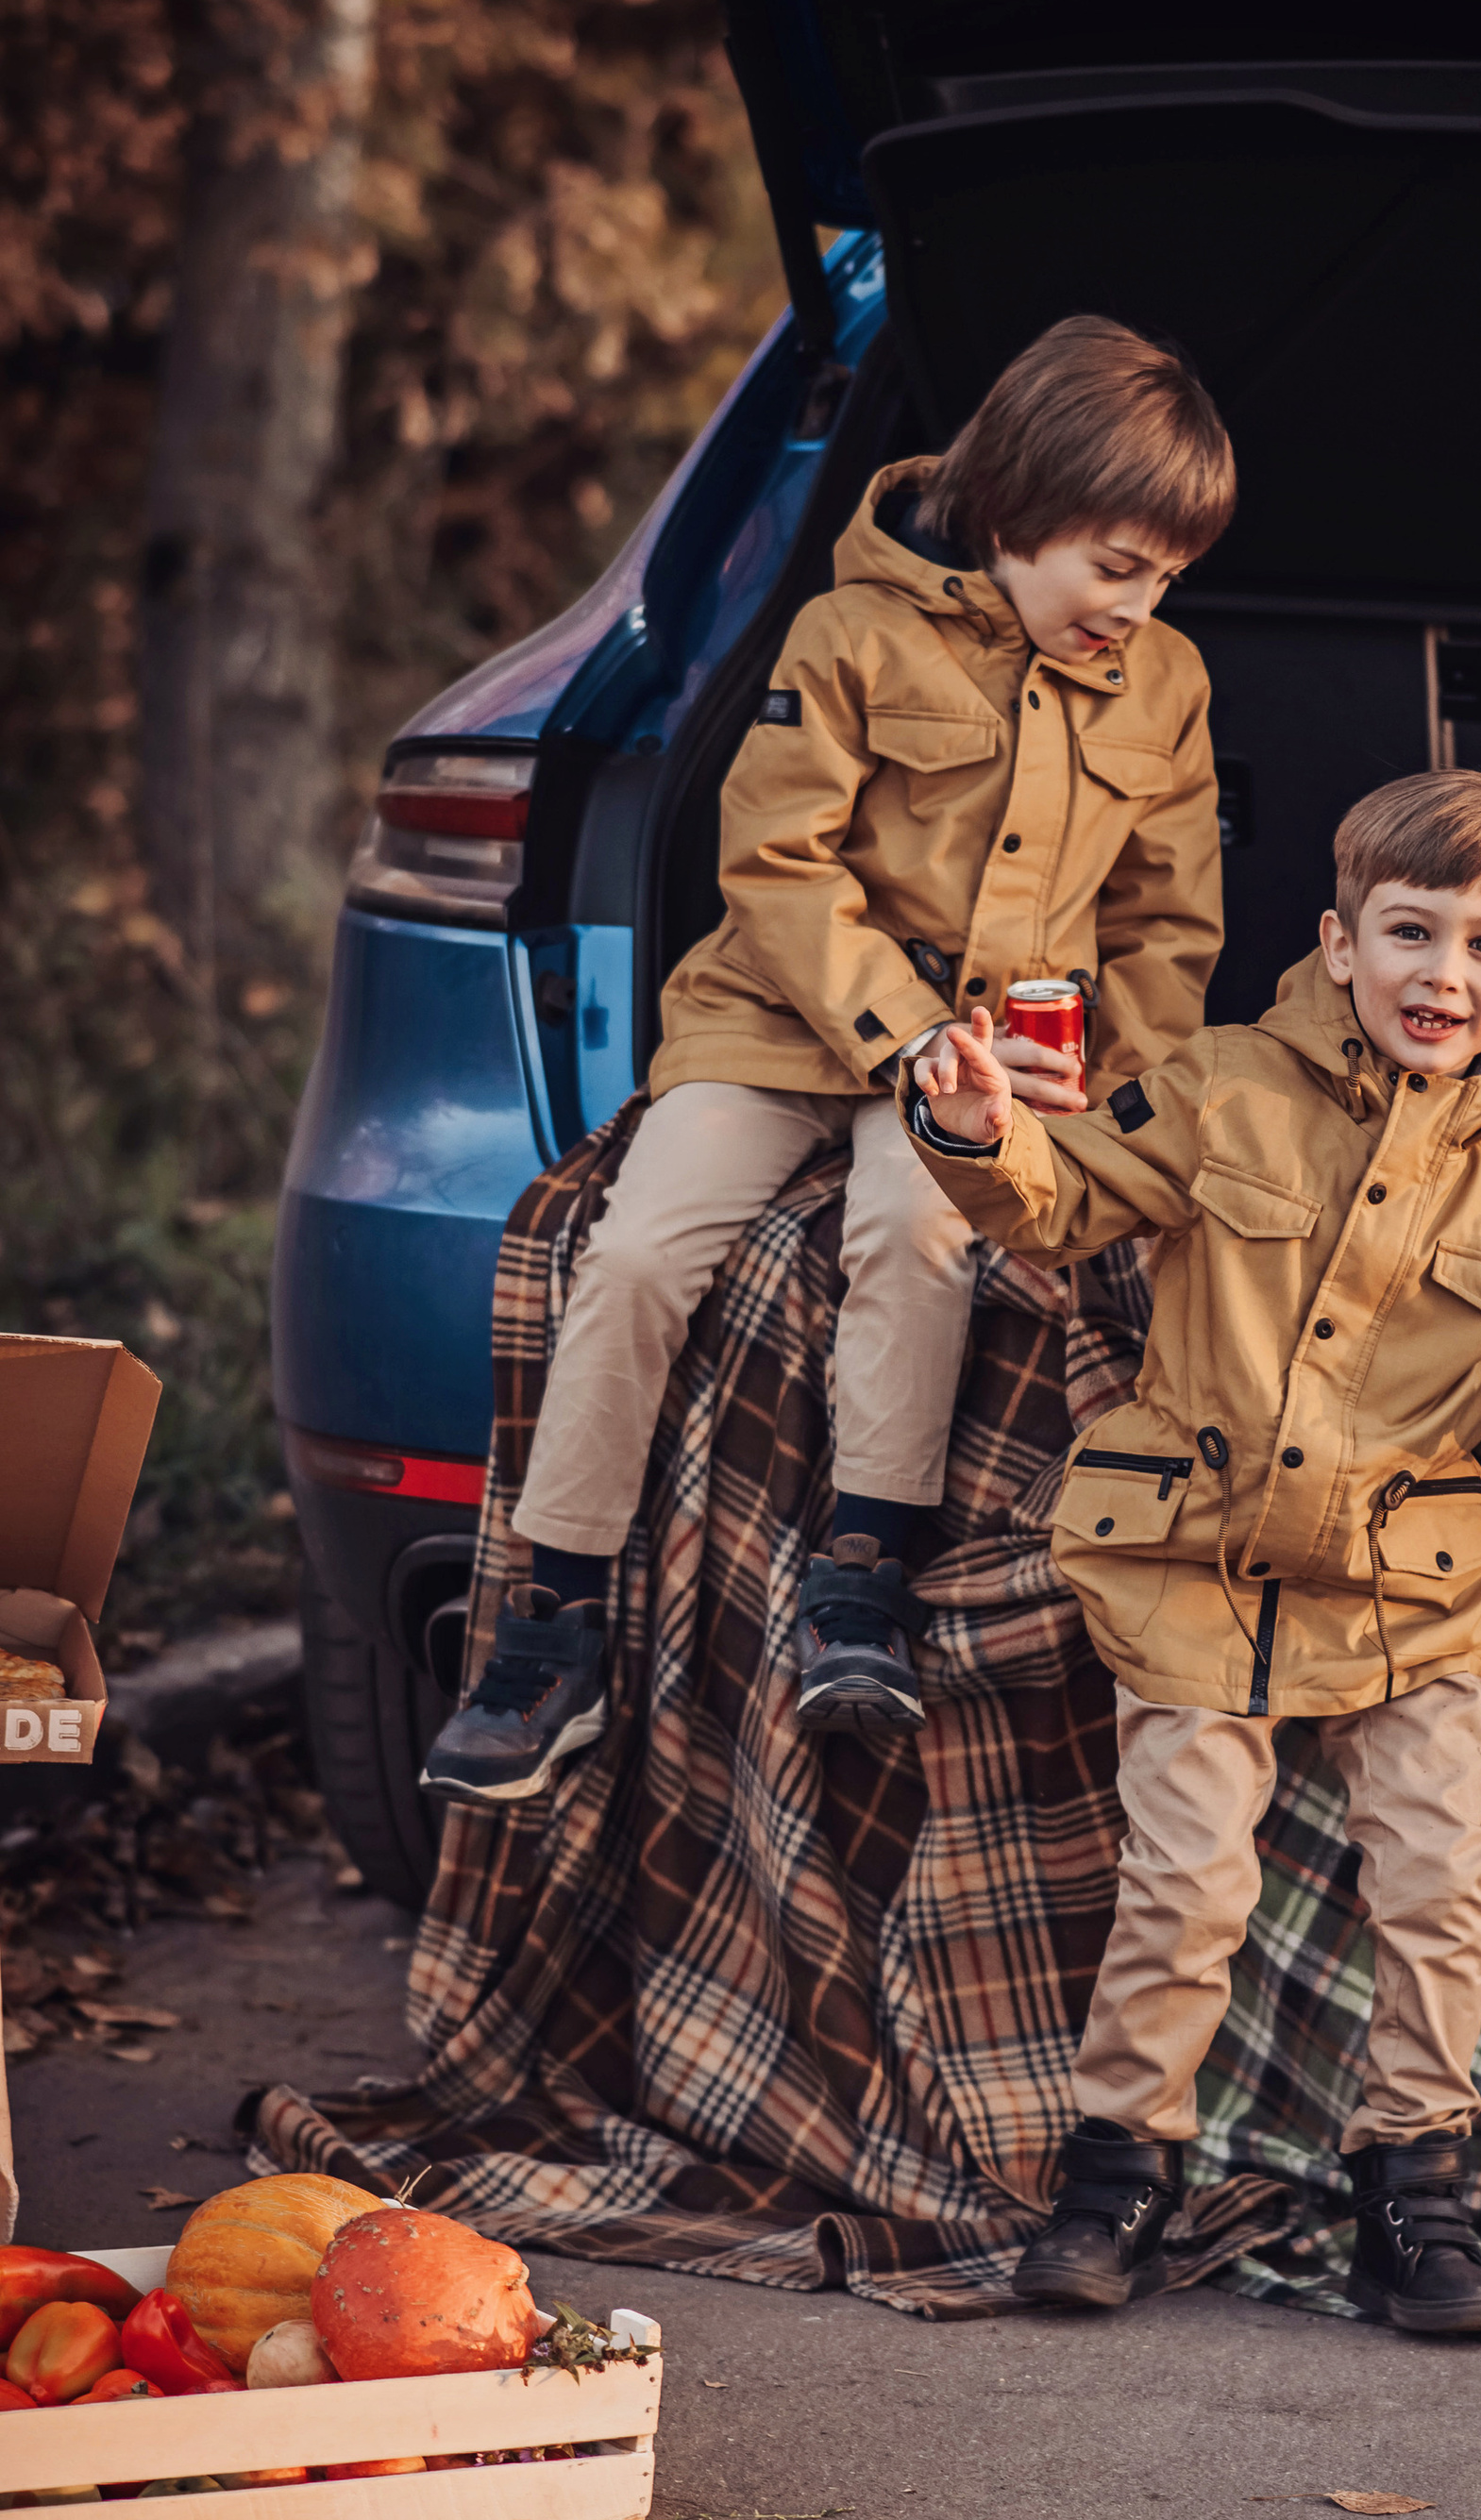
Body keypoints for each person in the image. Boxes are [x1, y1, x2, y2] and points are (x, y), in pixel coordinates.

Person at [907, 767, 1481, 2339]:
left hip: (1406, 1589)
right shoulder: (1221, 1086)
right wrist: (973, 1131)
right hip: (1192, 1563)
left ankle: (1414, 2186)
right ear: (1339, 941)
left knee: (1439, 1886)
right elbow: (1061, 1208)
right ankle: (1118, 2170)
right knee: (1186, 1885)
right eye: (1409, 932)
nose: (1439, 975)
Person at [423, 314, 1236, 1806]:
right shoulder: (848, 637)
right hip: (777, 1019)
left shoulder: (1163, 684)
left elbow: (1166, 923)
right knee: (635, 1251)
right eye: (1118, 567)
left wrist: (1116, 1091)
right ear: (1017, 512)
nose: (1142, 602)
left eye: (1168, 575)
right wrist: (903, 1029)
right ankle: (552, 1620)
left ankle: (862, 1573)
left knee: (919, 1228)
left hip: (990, 1054)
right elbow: (778, 866)